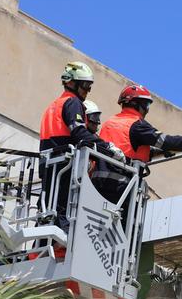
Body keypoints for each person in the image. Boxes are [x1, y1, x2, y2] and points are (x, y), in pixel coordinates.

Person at [92, 84, 182, 204]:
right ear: (137, 104)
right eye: (146, 105)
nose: (147, 110)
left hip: (96, 184)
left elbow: (125, 150)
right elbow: (165, 141)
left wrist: (160, 152)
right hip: (120, 186)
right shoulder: (136, 124)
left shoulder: (109, 123)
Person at [38, 62, 124, 232]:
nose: (87, 90)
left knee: (47, 212)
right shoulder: (72, 102)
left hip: (49, 164)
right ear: (71, 82)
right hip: (64, 164)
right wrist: (108, 148)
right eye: (85, 85)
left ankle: (39, 250)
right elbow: (78, 132)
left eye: (89, 86)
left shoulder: (53, 105)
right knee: (61, 212)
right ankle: (63, 247)